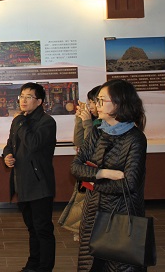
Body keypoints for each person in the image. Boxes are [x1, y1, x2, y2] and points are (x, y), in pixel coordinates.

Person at [71, 79, 147, 271]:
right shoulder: (97, 133)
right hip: (92, 213)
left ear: (119, 103)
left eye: (102, 100)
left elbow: (129, 184)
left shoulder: (135, 138)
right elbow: (76, 168)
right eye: (97, 100)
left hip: (121, 214)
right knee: (91, 265)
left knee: (120, 265)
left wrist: (92, 182)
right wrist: (103, 173)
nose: (97, 105)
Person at [2, 82, 57, 272]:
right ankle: (33, 264)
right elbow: (10, 144)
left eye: (28, 97)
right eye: (22, 96)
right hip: (23, 183)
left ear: (39, 101)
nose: (23, 100)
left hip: (40, 185)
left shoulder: (47, 122)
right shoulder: (20, 121)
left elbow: (33, 143)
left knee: (43, 229)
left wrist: (20, 122)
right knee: (32, 228)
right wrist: (7, 156)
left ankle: (45, 267)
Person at [59, 85, 101, 241]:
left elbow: (91, 148)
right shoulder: (94, 121)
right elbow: (78, 142)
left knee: (91, 205)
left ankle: (88, 233)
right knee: (82, 203)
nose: (90, 106)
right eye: (89, 103)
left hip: (97, 173)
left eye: (93, 102)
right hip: (87, 171)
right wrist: (79, 119)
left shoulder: (103, 124)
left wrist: (88, 123)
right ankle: (83, 231)